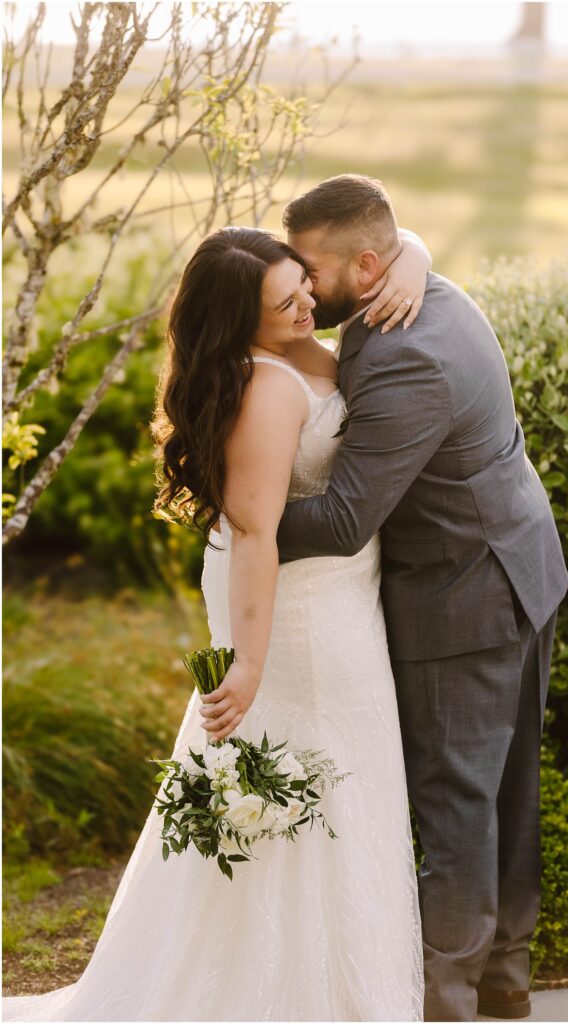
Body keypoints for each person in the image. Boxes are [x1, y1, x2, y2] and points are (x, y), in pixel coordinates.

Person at [2, 225, 432, 1022]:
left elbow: (386, 233)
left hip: (336, 595)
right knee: (312, 780)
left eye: (303, 283)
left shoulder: (296, 336)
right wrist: (250, 665)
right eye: (286, 301)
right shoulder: (266, 388)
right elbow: (257, 533)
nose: (309, 302)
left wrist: (416, 258)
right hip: (294, 614)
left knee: (338, 780)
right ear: (242, 323)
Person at [275, 174, 568, 1023]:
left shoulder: (405, 351)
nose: (299, 284)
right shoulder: (427, 288)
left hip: (465, 595)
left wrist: (235, 518)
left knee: (454, 804)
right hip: (517, 566)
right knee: (500, 793)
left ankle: (447, 996)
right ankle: (505, 980)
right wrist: (415, 251)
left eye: (310, 269)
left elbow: (338, 520)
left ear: (367, 267)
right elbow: (398, 245)